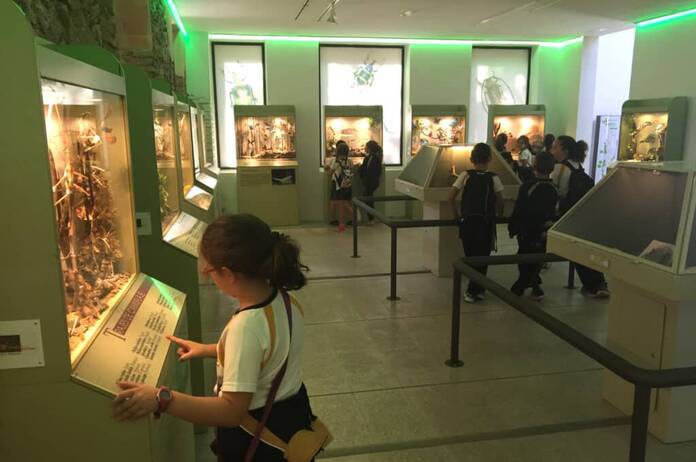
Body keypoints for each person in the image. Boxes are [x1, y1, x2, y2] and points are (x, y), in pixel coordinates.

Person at [551, 136, 610, 298]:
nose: (552, 151)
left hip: (567, 215)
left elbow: (557, 192)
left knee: (576, 250)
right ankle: (598, 283)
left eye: (556, 147)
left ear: (565, 150)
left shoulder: (560, 168)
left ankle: (593, 285)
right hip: (583, 214)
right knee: (585, 249)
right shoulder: (578, 167)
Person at [448, 143, 504, 304]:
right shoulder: (493, 177)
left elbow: (450, 197)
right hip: (485, 223)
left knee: (470, 256)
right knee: (483, 256)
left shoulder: (465, 175)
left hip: (468, 222)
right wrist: (498, 215)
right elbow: (500, 200)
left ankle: (474, 289)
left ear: (472, 159)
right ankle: (477, 289)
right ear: (489, 159)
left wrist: (457, 217)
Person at [508, 152, 558, 301]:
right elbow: (554, 211)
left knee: (524, 256)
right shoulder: (554, 189)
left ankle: (521, 285)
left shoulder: (528, 186)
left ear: (535, 166)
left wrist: (513, 226)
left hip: (526, 229)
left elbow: (519, 208)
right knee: (538, 257)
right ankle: (534, 284)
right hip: (543, 230)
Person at [327, 142, 354, 232]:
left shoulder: (336, 161)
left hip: (337, 185)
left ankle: (341, 224)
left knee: (340, 205)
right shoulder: (349, 161)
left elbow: (330, 173)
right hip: (347, 184)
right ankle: (352, 217)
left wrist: (328, 169)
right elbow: (352, 171)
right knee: (345, 203)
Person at [359, 140, 383, 224]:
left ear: (369, 148)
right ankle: (371, 218)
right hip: (371, 182)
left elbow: (367, 170)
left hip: (370, 183)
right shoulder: (373, 157)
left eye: (366, 146)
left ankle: (371, 218)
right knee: (368, 199)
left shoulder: (372, 158)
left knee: (368, 199)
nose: (364, 148)